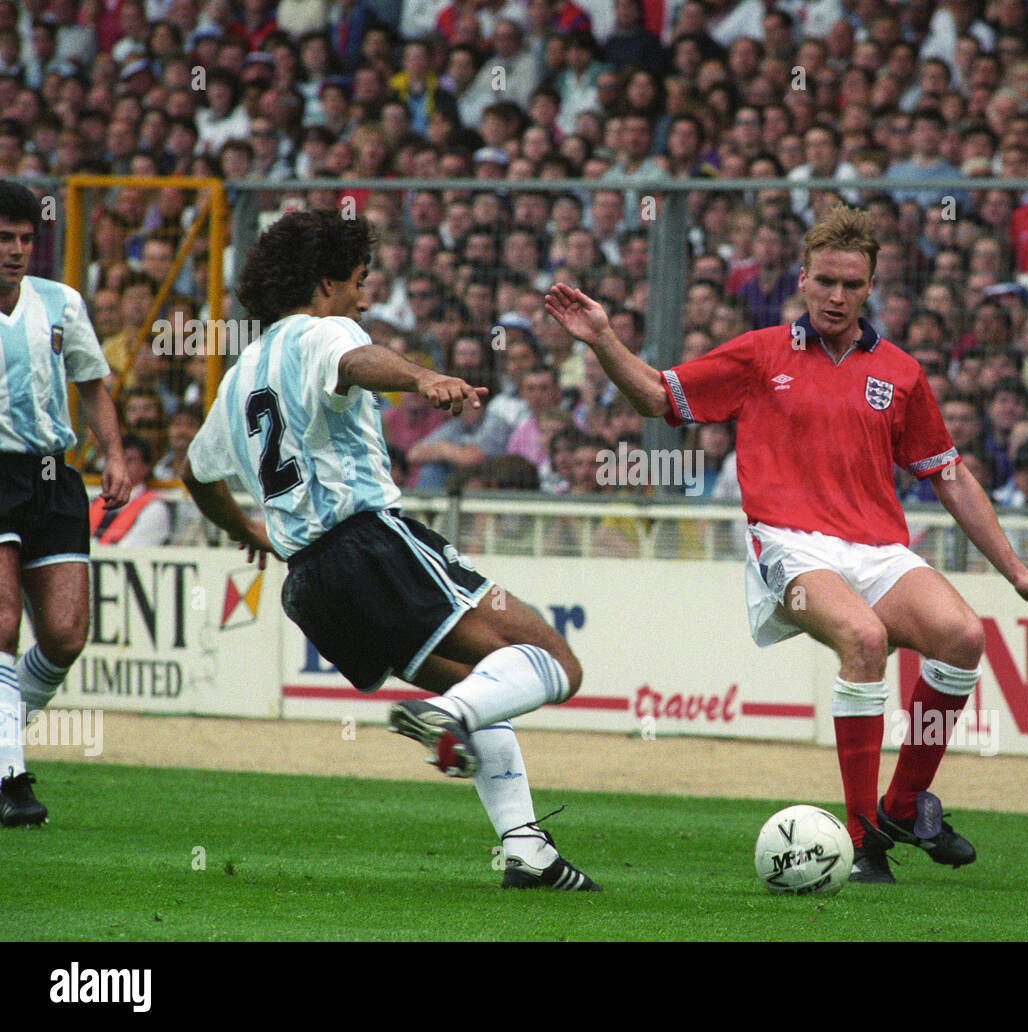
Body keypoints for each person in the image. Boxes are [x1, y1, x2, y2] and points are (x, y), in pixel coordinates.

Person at [545, 205, 1028, 885]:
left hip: (879, 549)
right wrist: (601, 339)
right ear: (802, 279)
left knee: (963, 637)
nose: (836, 296)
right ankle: (865, 843)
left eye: (850, 284)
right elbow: (658, 397)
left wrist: (1017, 572)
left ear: (869, 289)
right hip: (791, 546)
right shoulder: (759, 353)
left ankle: (902, 804)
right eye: (825, 281)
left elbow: (948, 475)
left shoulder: (902, 373)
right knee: (863, 639)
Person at [181, 209, 599, 891]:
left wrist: (250, 532)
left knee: (481, 686)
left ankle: (525, 848)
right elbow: (354, 360)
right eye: (358, 281)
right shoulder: (325, 330)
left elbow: (197, 475)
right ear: (324, 284)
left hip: (309, 585)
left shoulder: (238, 376)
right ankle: (446, 723)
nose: (366, 297)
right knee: (555, 660)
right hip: (370, 543)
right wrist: (421, 379)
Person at [0, 181, 130, 828]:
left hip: (54, 478)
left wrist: (114, 453)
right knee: (1, 623)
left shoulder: (61, 303)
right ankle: (11, 775)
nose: (17, 250)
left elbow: (92, 385)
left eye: (25, 238)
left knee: (64, 635)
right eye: (5, 238)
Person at [88, 435, 171, 546]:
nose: (122, 465)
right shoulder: (94, 502)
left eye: (130, 460)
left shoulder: (155, 508)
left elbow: (132, 549)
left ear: (146, 467)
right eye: (119, 460)